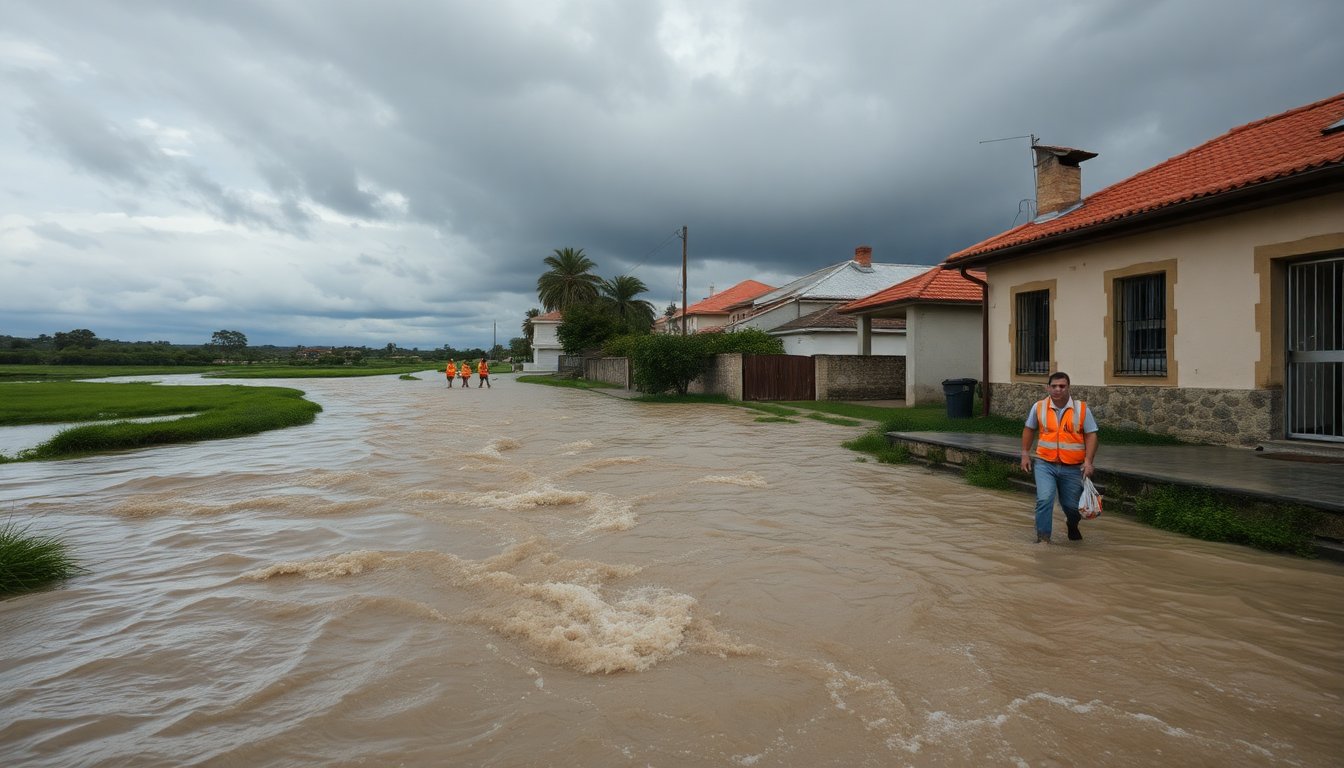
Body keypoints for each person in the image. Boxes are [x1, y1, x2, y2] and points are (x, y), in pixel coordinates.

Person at [1020, 371, 1098, 543]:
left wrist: (1088, 461)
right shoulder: (1039, 407)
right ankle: (1043, 540)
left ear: (1068, 388)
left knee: (1072, 507)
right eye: (1054, 386)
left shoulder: (1081, 409)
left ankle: (1072, 524)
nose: (1057, 389)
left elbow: (1091, 435)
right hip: (1044, 463)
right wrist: (1025, 454)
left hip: (1073, 467)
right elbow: (1029, 429)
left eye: (1062, 386)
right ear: (1047, 388)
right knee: (1044, 499)